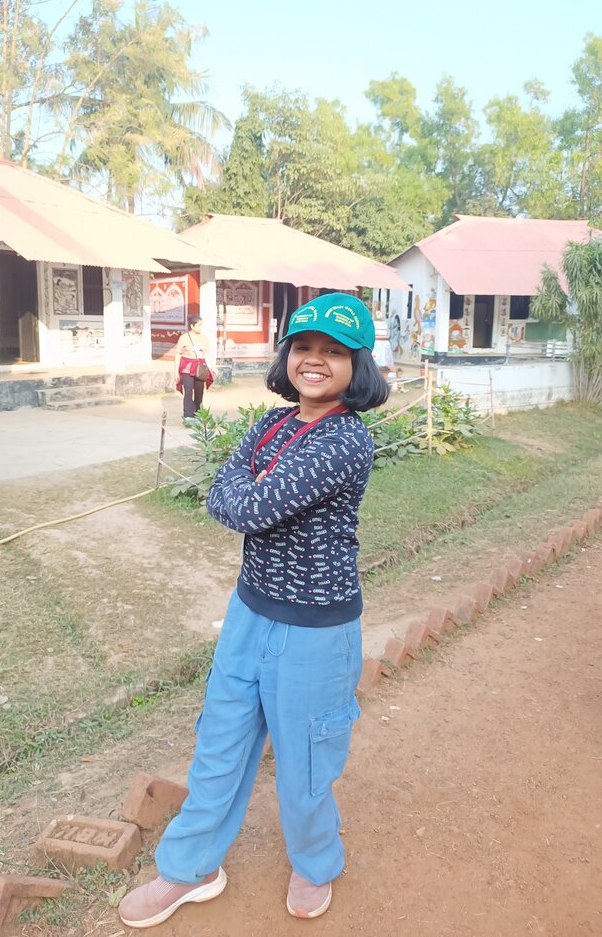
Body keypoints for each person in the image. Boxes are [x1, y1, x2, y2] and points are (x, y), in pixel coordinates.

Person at [119, 292, 389, 929]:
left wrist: (247, 485)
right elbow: (226, 494)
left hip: (316, 630)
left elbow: (247, 507)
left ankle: (314, 863)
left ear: (358, 366)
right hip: (249, 611)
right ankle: (188, 870)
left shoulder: (346, 440)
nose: (314, 360)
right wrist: (245, 486)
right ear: (286, 355)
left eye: (334, 351)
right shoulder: (272, 423)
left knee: (305, 761)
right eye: (303, 346)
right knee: (220, 743)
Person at [173, 314, 214, 418]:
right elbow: (178, 354)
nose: (201, 327)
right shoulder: (184, 338)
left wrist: (212, 367)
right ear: (192, 326)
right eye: (199, 325)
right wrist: (176, 371)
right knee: (188, 391)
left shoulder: (204, 338)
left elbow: (207, 354)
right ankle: (188, 416)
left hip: (200, 369)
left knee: (199, 393)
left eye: (201, 325)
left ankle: (198, 415)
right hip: (187, 369)